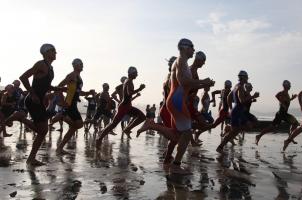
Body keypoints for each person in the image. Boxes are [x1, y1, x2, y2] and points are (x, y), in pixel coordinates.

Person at [138, 39, 214, 173]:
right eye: (192, 47)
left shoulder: (181, 62)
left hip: (176, 100)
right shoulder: (181, 61)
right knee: (186, 132)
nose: (193, 50)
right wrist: (203, 81)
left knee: (177, 135)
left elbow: (186, 84)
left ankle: (153, 127)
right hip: (177, 101)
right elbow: (184, 82)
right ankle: (175, 164)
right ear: (185, 48)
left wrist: (203, 84)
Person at [19, 43, 63, 166]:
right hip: (33, 100)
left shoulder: (50, 68)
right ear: (46, 52)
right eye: (53, 50)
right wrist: (32, 94)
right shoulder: (41, 64)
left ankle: (31, 158)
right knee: (43, 130)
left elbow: (45, 85)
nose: (55, 53)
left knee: (42, 131)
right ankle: (20, 117)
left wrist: (58, 88)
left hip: (39, 101)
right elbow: (23, 77)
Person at [96, 66, 146, 148]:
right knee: (113, 124)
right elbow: (129, 93)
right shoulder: (129, 81)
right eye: (136, 73)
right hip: (124, 107)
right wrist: (139, 89)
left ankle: (127, 129)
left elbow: (124, 91)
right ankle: (100, 138)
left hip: (127, 107)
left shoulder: (128, 81)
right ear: (132, 73)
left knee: (142, 117)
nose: (137, 75)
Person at [56, 58, 93, 155]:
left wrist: (88, 92)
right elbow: (59, 87)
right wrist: (61, 101)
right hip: (69, 103)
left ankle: (60, 148)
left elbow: (78, 92)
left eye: (82, 64)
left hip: (73, 104)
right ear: (75, 65)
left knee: (74, 126)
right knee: (79, 124)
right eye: (80, 64)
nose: (82, 65)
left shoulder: (78, 77)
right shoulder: (72, 75)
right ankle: (62, 116)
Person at [216, 70, 259, 153]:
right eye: (246, 77)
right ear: (243, 78)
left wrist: (231, 108)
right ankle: (221, 146)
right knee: (236, 131)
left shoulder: (236, 86)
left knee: (254, 122)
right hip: (238, 112)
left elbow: (229, 97)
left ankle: (230, 130)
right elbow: (242, 100)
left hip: (239, 111)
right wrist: (253, 96)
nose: (247, 79)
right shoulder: (240, 87)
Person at [255, 80, 299, 145]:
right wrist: (282, 103)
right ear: (286, 86)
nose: (290, 86)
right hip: (282, 113)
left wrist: (291, 98)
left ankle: (259, 136)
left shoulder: (286, 93)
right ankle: (290, 139)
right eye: (289, 85)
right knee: (295, 123)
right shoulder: (283, 92)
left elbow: (286, 101)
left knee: (272, 127)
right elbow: (277, 95)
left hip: (282, 114)